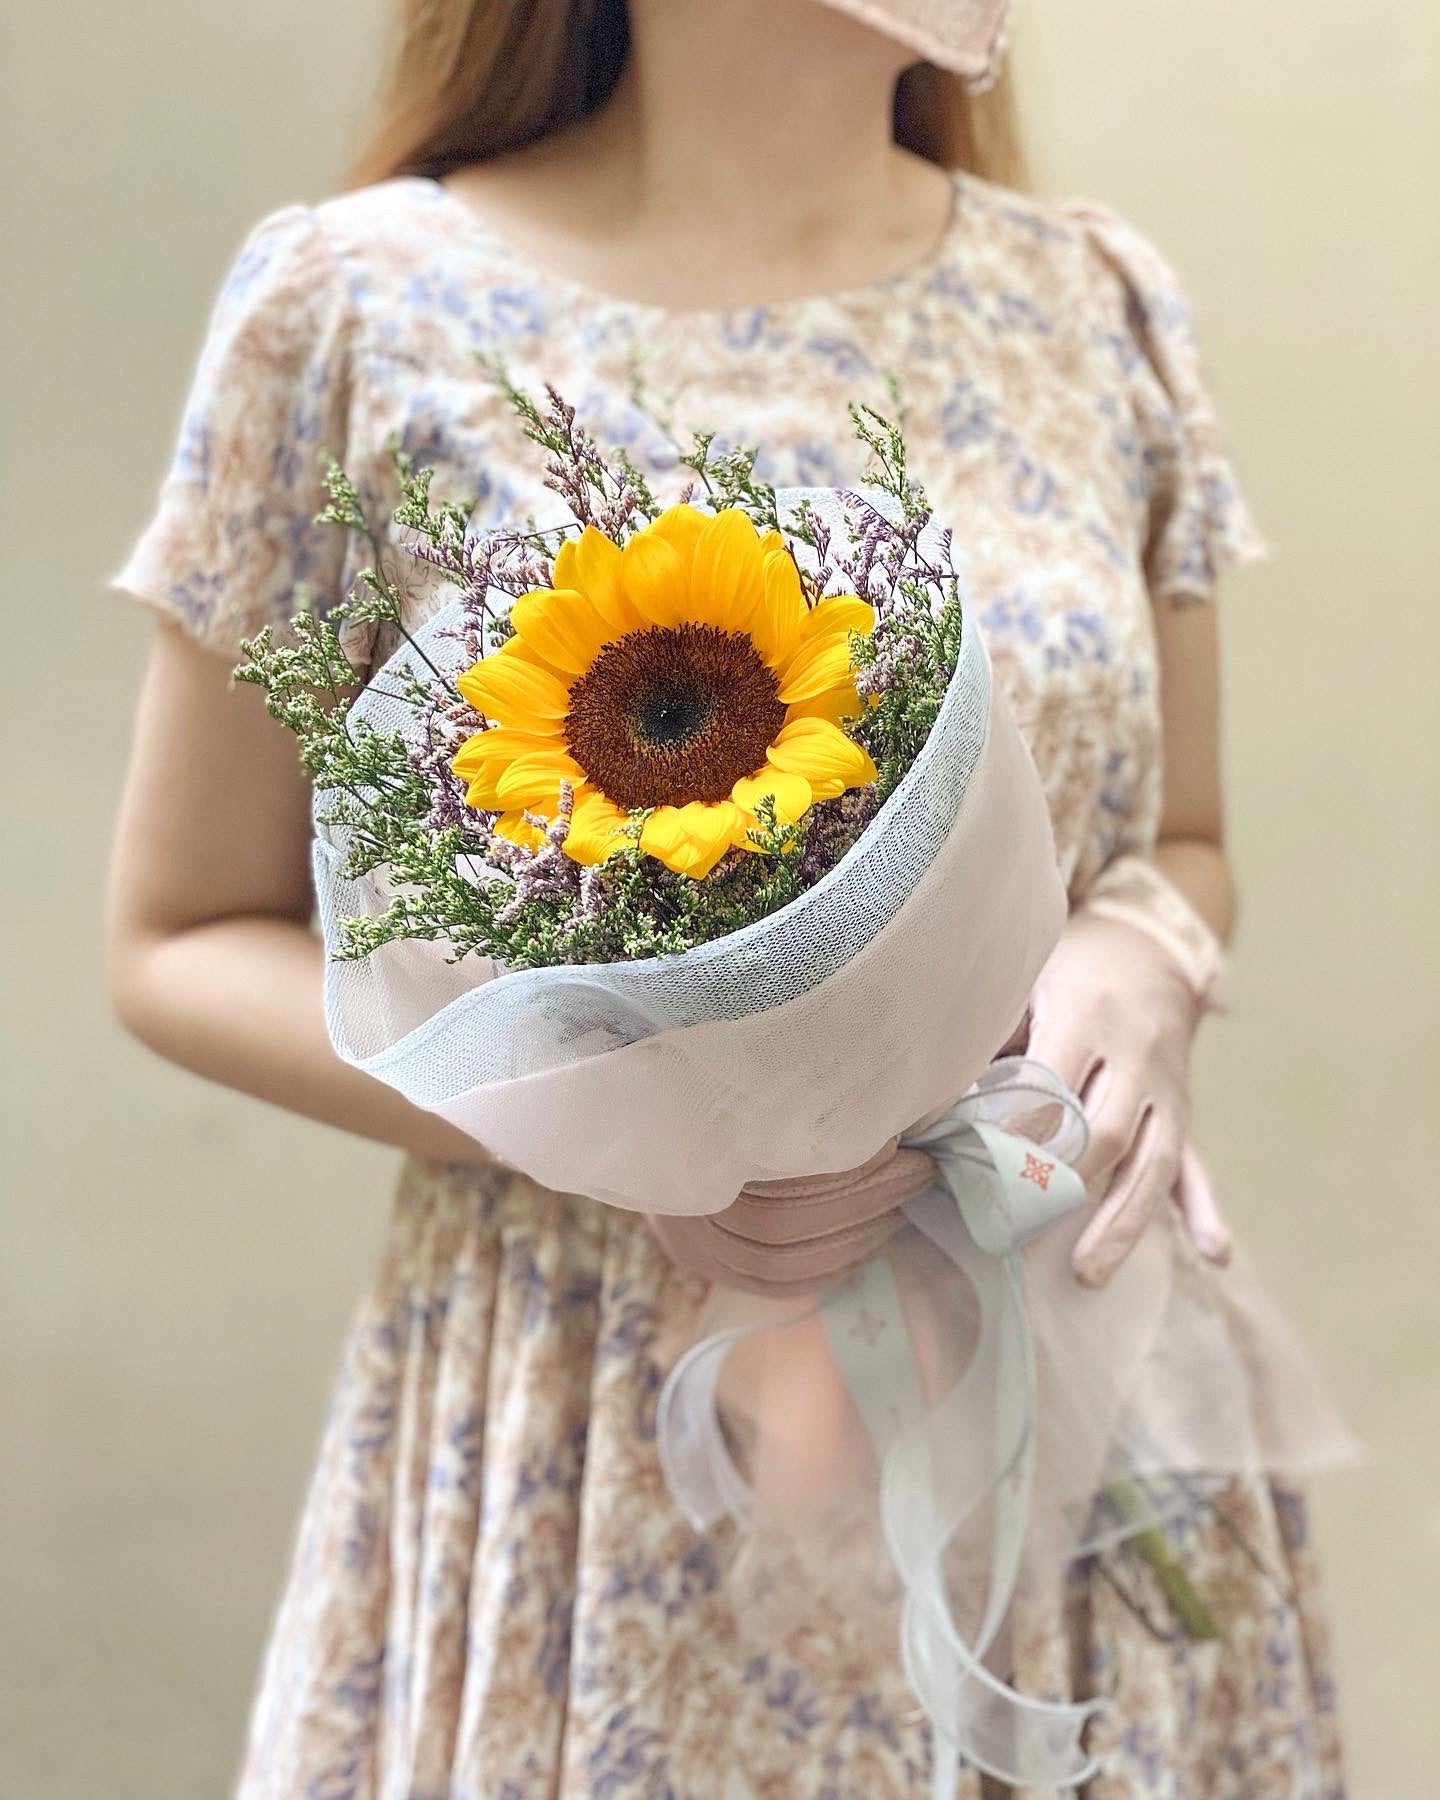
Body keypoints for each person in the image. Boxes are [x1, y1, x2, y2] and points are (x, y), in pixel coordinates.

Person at [104, 0, 1347, 1792]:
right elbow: (175, 938)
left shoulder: (1093, 303)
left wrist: (1145, 953)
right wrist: (624, 1125)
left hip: (1064, 1391)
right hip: (599, 1435)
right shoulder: (359, 306)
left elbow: (1183, 838)